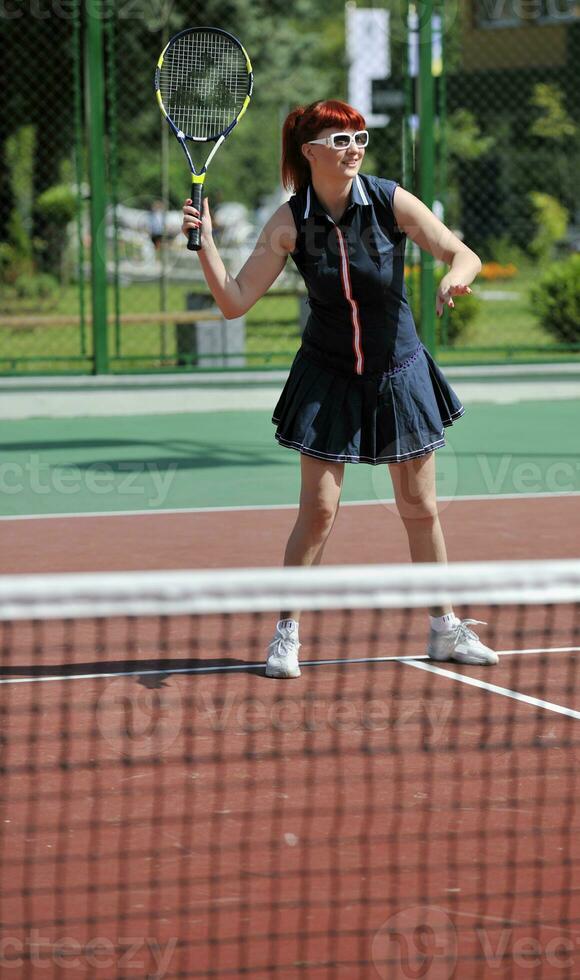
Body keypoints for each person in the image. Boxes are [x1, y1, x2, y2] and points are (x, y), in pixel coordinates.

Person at [182, 99, 498, 678]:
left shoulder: (387, 200)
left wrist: (456, 275)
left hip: (398, 370)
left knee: (420, 506)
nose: (353, 148)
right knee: (320, 510)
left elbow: (461, 252)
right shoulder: (289, 221)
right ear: (310, 152)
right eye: (339, 139)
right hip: (328, 374)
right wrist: (204, 244)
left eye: (359, 137)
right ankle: (287, 634)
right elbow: (233, 301)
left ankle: (444, 628)